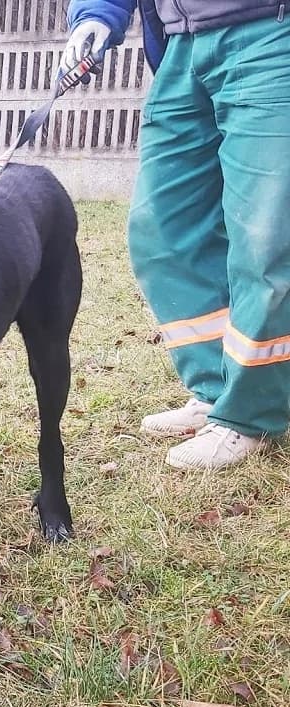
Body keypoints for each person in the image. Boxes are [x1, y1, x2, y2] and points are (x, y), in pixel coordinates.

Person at [60, 1, 290, 470]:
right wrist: (97, 14)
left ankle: (253, 413)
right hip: (179, 43)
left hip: (271, 31)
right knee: (161, 230)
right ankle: (215, 389)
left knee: (265, 238)